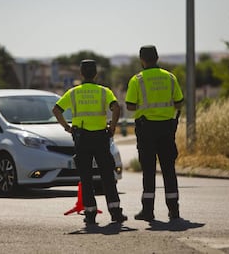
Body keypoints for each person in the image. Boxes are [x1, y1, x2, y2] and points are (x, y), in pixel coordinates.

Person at [52, 59, 128, 225]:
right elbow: (116, 108)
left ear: (81, 73)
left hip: (82, 138)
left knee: (86, 177)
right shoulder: (104, 91)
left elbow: (56, 110)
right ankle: (115, 212)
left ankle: (90, 213)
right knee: (107, 175)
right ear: (95, 74)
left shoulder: (73, 92)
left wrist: (67, 127)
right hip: (101, 137)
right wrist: (113, 127)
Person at [125, 45, 184, 221]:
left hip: (146, 130)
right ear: (157, 57)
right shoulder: (170, 77)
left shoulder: (137, 80)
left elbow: (129, 105)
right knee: (169, 170)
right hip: (167, 129)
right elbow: (179, 102)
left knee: (148, 171)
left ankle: (148, 211)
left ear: (142, 59)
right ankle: (174, 211)